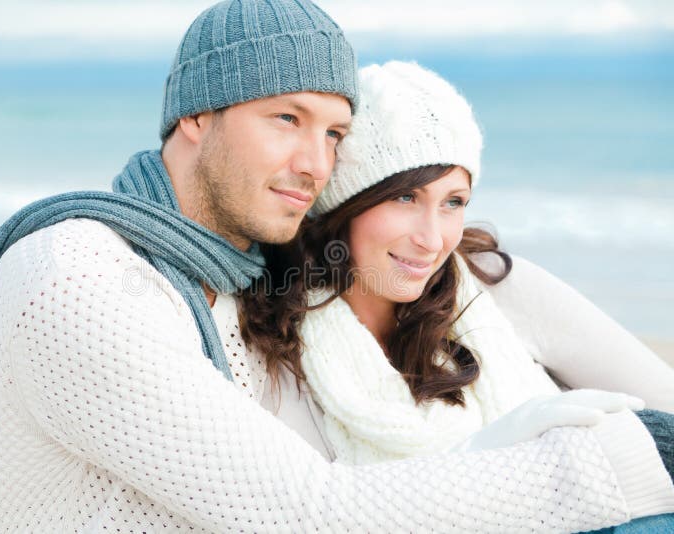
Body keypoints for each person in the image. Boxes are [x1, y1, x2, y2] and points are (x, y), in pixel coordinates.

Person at [0, 2, 674, 533]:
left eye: (335, 133)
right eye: (286, 119)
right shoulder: (79, 279)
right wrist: (626, 457)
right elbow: (307, 512)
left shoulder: (232, 283)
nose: (314, 164)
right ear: (198, 116)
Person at [242, 60, 674, 531]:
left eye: (453, 202)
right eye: (404, 198)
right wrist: (497, 455)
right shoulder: (280, 344)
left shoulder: (499, 287)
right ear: (342, 208)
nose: (432, 239)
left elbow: (665, 407)